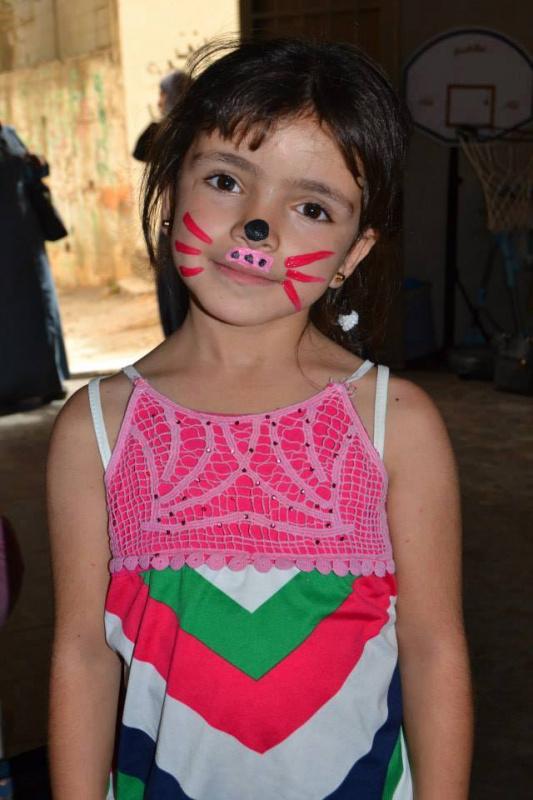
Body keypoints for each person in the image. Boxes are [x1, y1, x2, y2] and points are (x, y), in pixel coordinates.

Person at [47, 38, 473, 799]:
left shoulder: (395, 423)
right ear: (170, 188)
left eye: (310, 207)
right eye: (225, 181)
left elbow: (433, 647)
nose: (256, 227)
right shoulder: (97, 429)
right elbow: (83, 653)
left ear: (353, 253)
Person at [0, 123, 69, 413]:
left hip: (26, 239)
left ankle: (45, 382)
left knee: (38, 307)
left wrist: (35, 165)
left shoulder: (8, 134)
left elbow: (28, 174)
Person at [133, 71, 189, 337]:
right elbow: (140, 151)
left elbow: (140, 150)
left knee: (177, 304)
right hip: (173, 228)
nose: (159, 101)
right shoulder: (172, 129)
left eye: (163, 95)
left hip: (180, 230)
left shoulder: (182, 132)